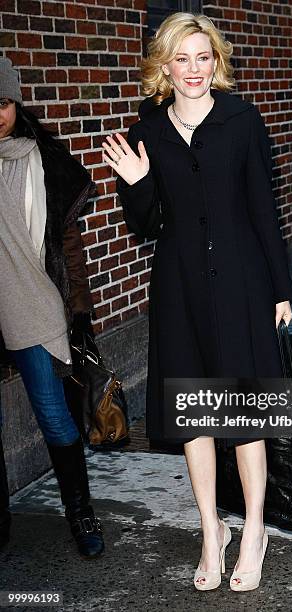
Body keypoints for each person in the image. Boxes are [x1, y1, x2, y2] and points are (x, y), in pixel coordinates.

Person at [104, 13, 292, 592]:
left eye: (202, 57)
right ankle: (213, 533)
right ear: (164, 65)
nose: (192, 69)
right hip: (180, 286)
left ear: (217, 62)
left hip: (240, 285)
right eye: (181, 59)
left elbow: (265, 207)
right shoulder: (147, 131)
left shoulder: (242, 120)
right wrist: (137, 182)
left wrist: (281, 289)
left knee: (242, 415)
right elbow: (148, 224)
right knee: (196, 416)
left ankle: (254, 527)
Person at [0, 57, 104, 558]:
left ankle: (80, 510)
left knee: (54, 416)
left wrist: (80, 313)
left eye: (2, 103)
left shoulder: (44, 160)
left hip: (34, 306)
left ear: (17, 104)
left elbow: (68, 241)